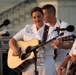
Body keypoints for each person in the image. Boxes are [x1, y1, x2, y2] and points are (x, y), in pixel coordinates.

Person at [8, 7, 57, 75]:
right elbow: (12, 40)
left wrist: (57, 44)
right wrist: (15, 49)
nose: (37, 19)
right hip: (28, 65)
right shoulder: (27, 28)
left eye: (39, 16)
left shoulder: (51, 30)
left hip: (46, 63)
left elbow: (55, 45)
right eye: (34, 17)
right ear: (32, 18)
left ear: (43, 16)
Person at [42, 4, 73, 74]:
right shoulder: (43, 27)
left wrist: (60, 45)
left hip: (61, 61)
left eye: (44, 14)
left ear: (51, 14)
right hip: (47, 62)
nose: (42, 17)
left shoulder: (64, 26)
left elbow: (69, 44)